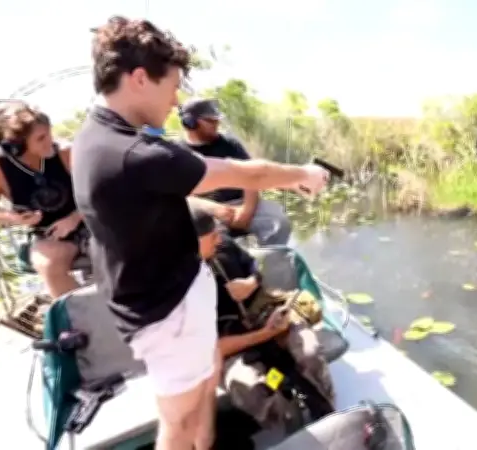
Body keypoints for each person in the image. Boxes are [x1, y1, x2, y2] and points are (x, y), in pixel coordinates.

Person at [71, 16, 330, 450]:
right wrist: (302, 174)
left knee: (201, 395)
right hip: (166, 314)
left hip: (164, 301)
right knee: (178, 425)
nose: (176, 100)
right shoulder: (133, 153)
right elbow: (243, 172)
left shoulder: (95, 137)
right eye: (172, 86)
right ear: (139, 78)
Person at [191, 207, 335, 428]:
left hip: (265, 314)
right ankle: (288, 418)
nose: (219, 239)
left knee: (309, 352)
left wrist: (251, 283)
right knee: (249, 389)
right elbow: (213, 349)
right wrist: (266, 333)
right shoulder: (179, 287)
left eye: (217, 233)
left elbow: (255, 265)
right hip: (231, 344)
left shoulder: (223, 245)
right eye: (212, 237)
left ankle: (326, 405)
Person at [0, 101, 86, 298]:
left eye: (49, 133)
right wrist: (10, 217)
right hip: (48, 235)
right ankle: (78, 314)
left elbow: (103, 191)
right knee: (47, 263)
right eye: (41, 138)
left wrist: (75, 217)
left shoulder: (65, 153)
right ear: (16, 146)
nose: (50, 141)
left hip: (90, 219)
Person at [176, 98, 292, 245]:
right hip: (205, 209)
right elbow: (181, 196)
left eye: (217, 120)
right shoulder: (177, 152)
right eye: (210, 121)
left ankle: (267, 258)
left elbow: (252, 178)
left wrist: (246, 212)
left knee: (279, 221)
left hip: (241, 203)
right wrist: (213, 208)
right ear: (190, 123)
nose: (216, 124)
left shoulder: (230, 144)